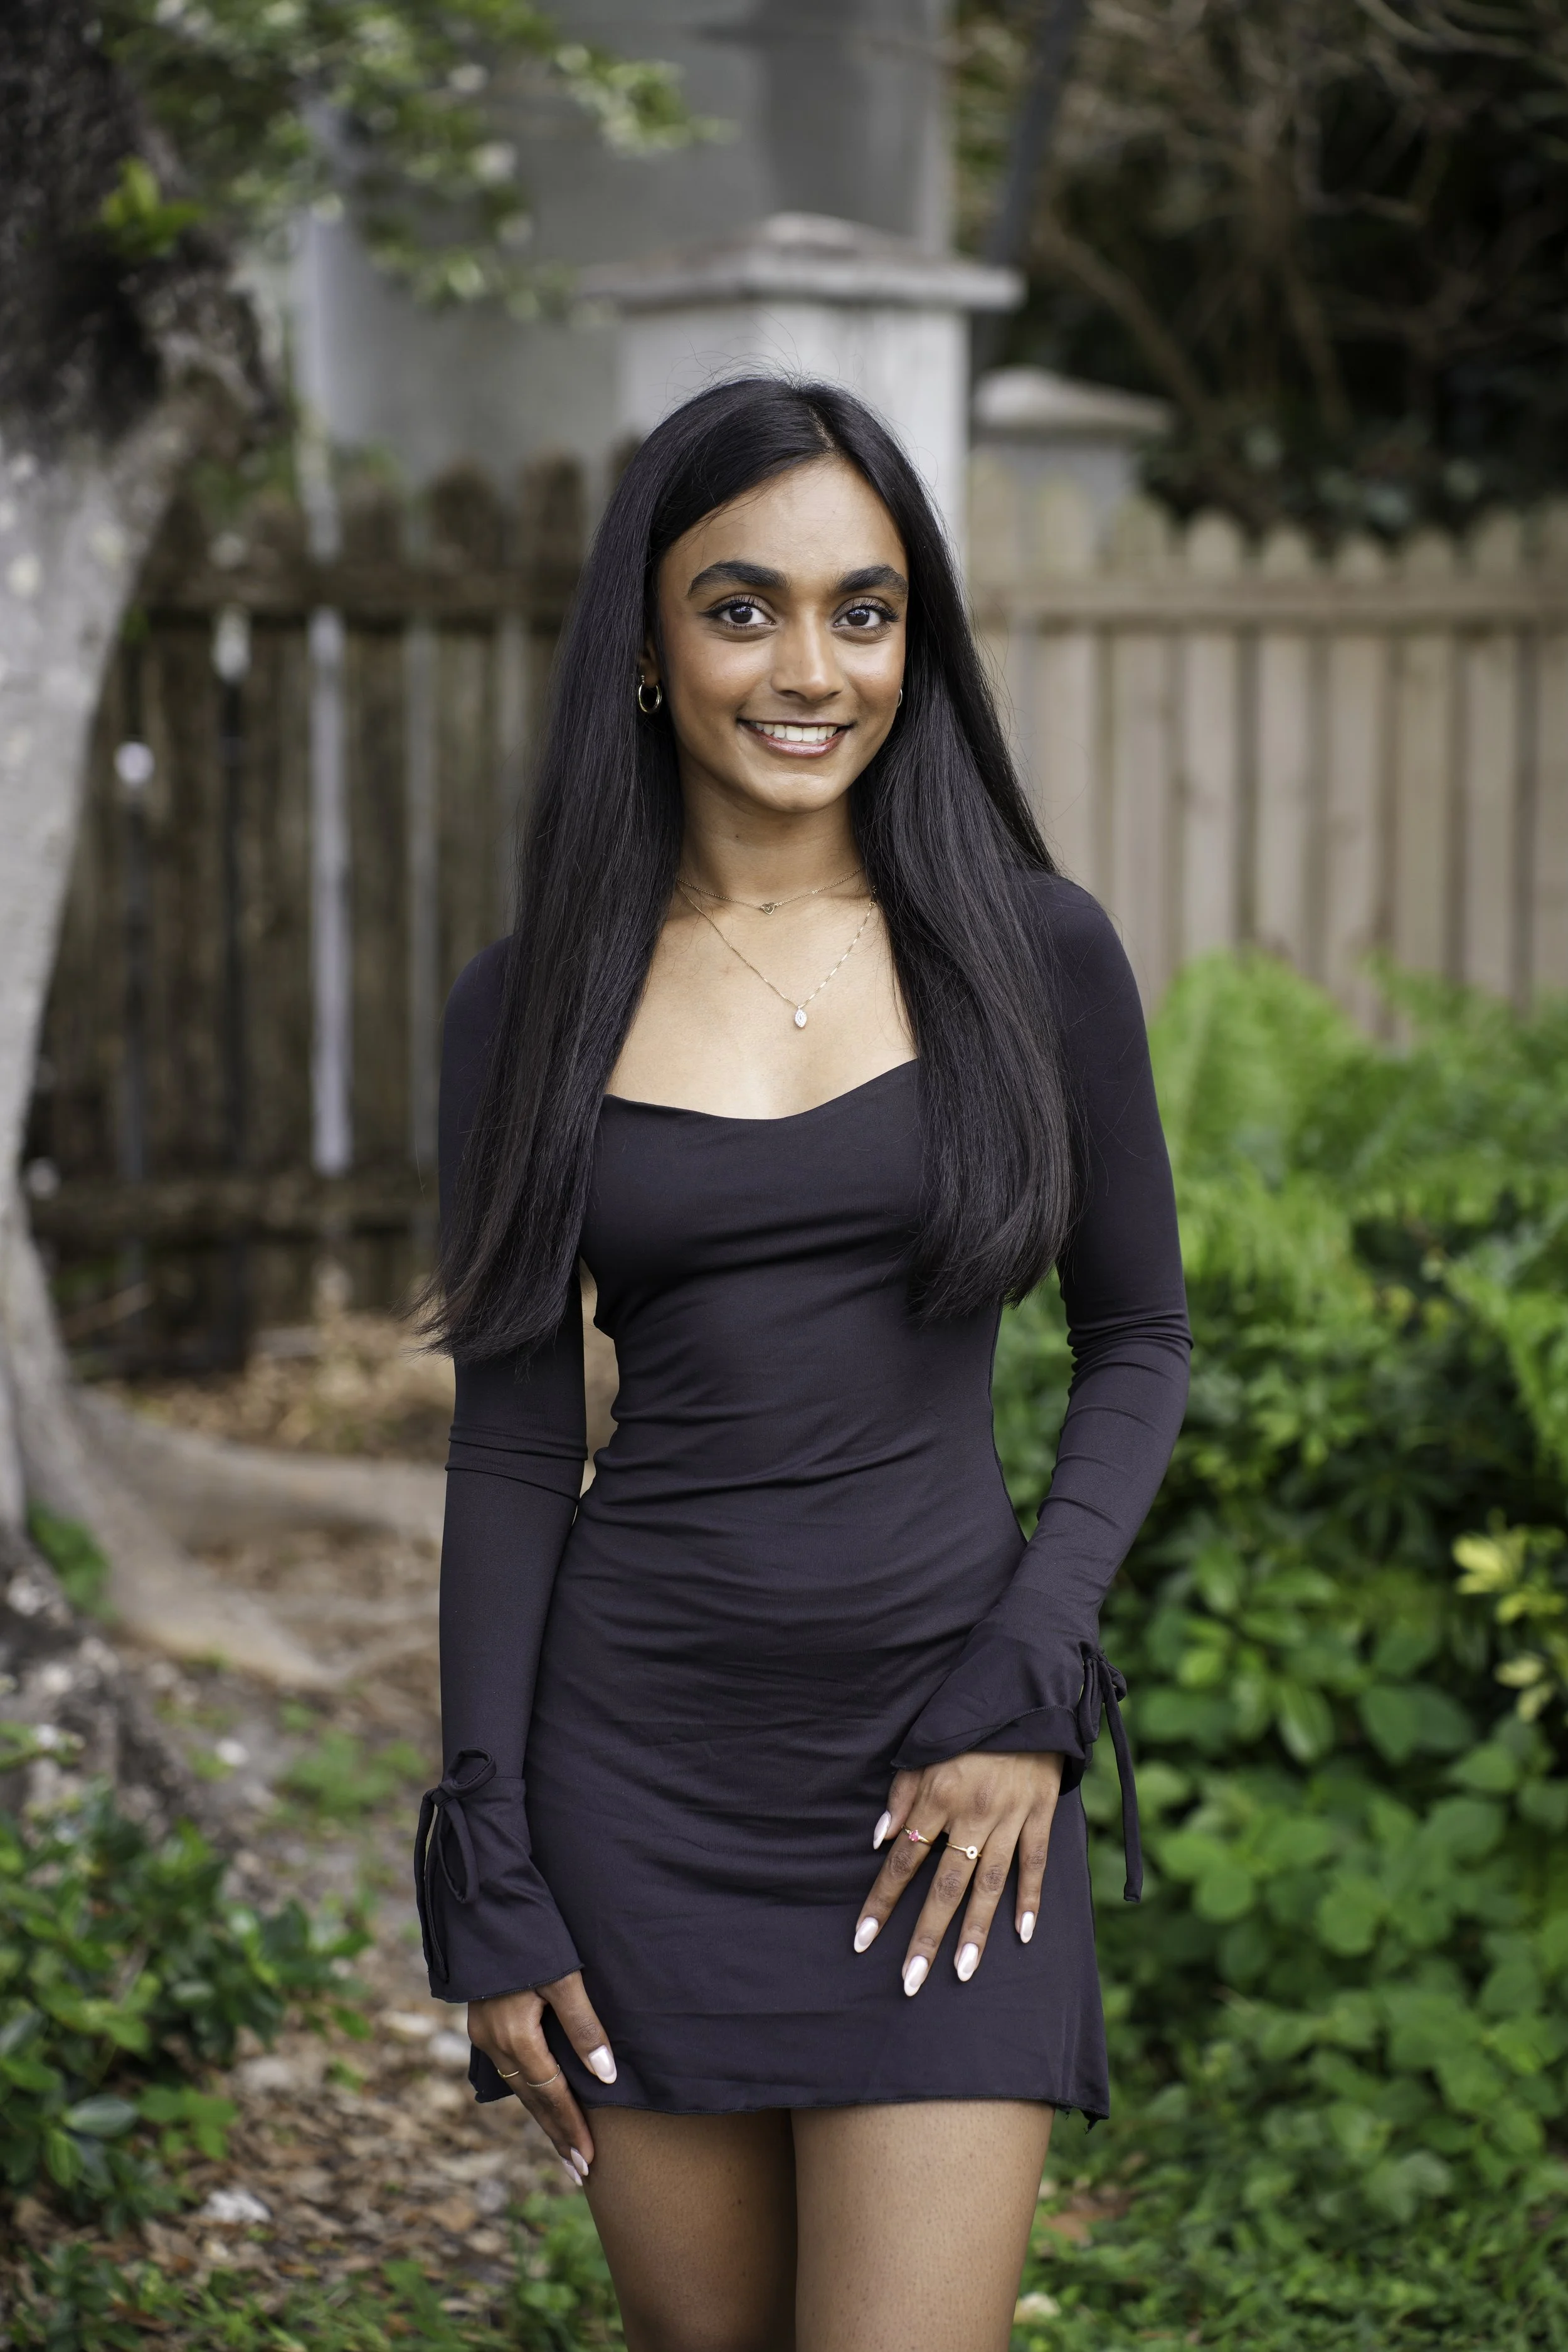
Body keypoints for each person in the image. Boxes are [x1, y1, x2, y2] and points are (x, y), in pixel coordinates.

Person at [414, 376, 1190, 2352]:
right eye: (741, 604)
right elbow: (510, 1450)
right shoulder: (525, 1006)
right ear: (649, 645)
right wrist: (488, 1854)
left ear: (912, 643)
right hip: (637, 1780)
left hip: (953, 1772)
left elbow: (1137, 1339)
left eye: (864, 609)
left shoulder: (1033, 950)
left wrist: (1027, 1681)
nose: (808, 665)